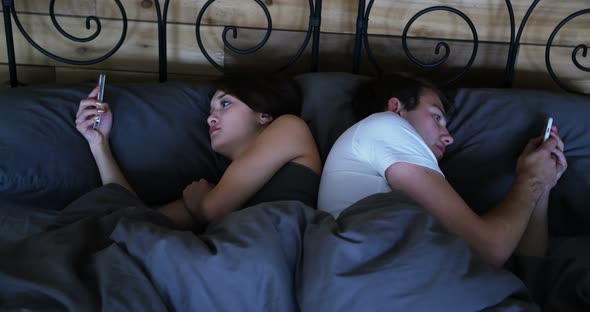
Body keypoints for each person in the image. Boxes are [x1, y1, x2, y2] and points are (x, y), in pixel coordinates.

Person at [317, 74, 567, 267]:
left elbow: (527, 270)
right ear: (396, 108)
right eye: (437, 117)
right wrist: (530, 180)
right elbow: (489, 250)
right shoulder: (383, 125)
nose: (449, 138)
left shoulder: (415, 179)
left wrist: (543, 185)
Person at [75, 74, 322, 230]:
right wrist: (98, 143)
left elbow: (214, 210)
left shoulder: (290, 126)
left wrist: (198, 204)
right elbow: (134, 221)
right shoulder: (211, 190)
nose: (210, 119)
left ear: (264, 115)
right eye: (211, 110)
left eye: (225, 104)